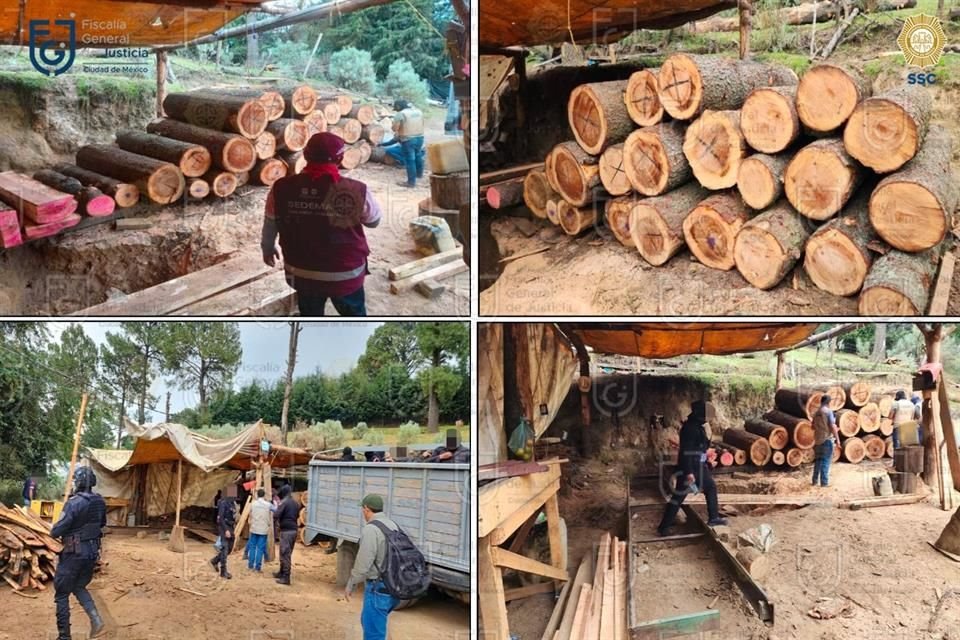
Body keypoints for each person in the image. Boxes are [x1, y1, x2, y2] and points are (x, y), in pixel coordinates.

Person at [261, 132, 383, 317]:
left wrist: (267, 247)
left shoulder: (281, 188)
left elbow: (271, 222)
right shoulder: (356, 189)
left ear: (306, 155)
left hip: (301, 273)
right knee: (354, 317)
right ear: (341, 158)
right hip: (346, 273)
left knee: (310, 316)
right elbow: (374, 222)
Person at [51, 466, 106, 640]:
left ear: (80, 482)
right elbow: (102, 523)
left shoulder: (74, 503)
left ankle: (64, 637)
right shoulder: (100, 502)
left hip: (73, 554)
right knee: (79, 586)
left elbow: (56, 531)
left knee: (61, 594)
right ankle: (96, 619)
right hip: (91, 554)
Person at [657, 401, 726, 537]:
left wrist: (706, 460)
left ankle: (664, 527)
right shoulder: (691, 428)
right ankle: (713, 518)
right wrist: (689, 472)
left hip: (695, 465)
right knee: (709, 488)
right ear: (700, 413)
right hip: (692, 467)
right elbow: (685, 451)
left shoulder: (695, 426)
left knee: (679, 496)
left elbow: (699, 448)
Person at [345, 494, 401, 640]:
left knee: (373, 633)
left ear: (366, 509)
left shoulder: (371, 529)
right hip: (393, 586)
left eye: (362, 509)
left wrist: (351, 584)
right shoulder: (392, 525)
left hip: (378, 588)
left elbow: (363, 562)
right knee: (372, 624)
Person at [385, 99, 425, 188]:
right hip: (420, 137)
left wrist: (393, 125)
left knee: (410, 161)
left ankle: (411, 182)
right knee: (418, 156)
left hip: (408, 139)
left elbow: (395, 129)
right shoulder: (418, 111)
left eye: (396, 108)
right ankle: (419, 174)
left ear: (398, 107)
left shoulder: (401, 114)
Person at [811, 395, 840, 487]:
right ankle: (824, 482)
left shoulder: (816, 413)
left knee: (818, 460)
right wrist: (838, 440)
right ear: (828, 402)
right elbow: (832, 426)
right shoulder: (828, 412)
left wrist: (821, 428)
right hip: (826, 439)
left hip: (817, 440)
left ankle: (814, 481)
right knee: (825, 460)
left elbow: (812, 426)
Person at [274, 485, 300, 585]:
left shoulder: (284, 503)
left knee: (285, 553)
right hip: (293, 530)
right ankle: (281, 572)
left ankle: (286, 577)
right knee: (286, 552)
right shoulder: (295, 503)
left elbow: (276, 514)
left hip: (286, 531)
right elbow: (297, 515)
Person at [210, 494, 237, 579]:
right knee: (225, 548)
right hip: (224, 526)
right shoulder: (223, 502)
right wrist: (226, 530)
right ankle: (223, 571)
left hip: (231, 526)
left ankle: (215, 561)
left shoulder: (233, 503)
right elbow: (220, 518)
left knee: (230, 548)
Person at [248, 489, 272, 573]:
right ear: (264, 495)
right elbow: (276, 509)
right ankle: (257, 567)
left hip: (254, 528)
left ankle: (250, 565)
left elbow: (250, 514)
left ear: (257, 495)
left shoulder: (253, 504)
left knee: (252, 547)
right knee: (260, 548)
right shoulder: (268, 505)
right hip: (263, 529)